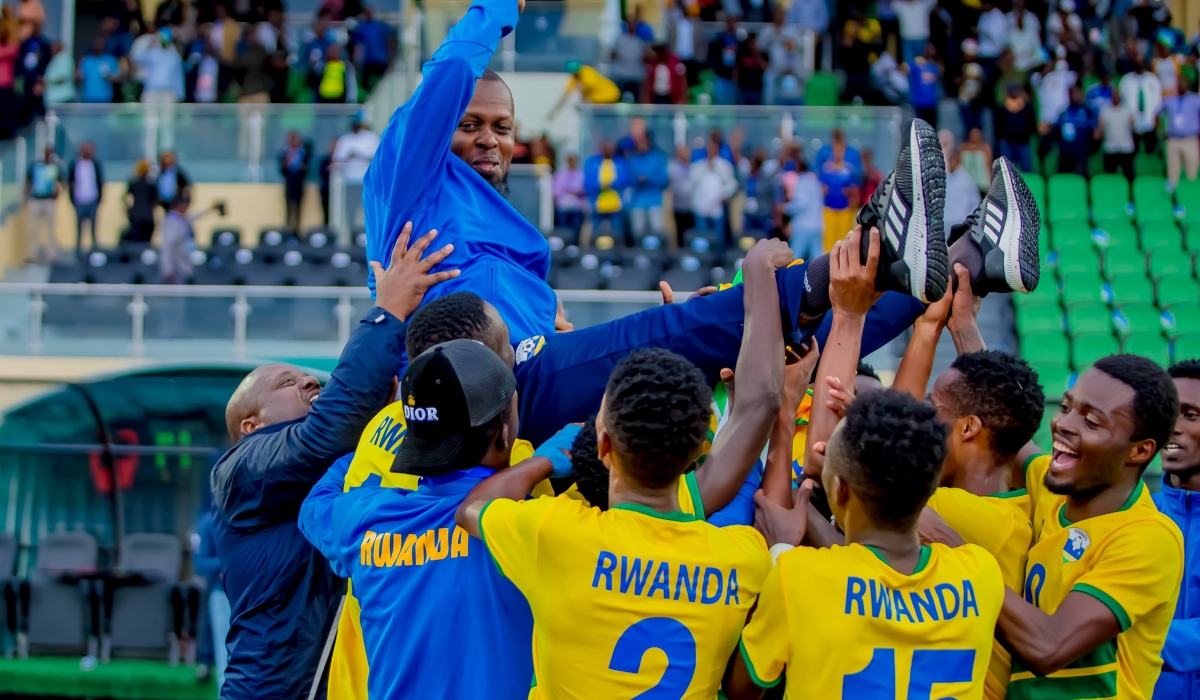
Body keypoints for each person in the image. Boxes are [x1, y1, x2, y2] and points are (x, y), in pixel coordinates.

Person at [453, 240, 791, 698]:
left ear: (603, 445)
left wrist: (545, 459)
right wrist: (759, 277)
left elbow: (472, 508)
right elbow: (760, 402)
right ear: (699, 449)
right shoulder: (742, 555)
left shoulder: (556, 534)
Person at [210, 227, 459, 700]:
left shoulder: (333, 468)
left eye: (309, 378)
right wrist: (387, 312)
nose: (309, 382)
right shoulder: (237, 471)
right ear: (250, 425)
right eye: (287, 383)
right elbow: (324, 435)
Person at [725, 388, 1004, 698]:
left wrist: (779, 549)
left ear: (840, 489)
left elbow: (742, 691)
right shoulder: (982, 574)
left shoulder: (796, 576)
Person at [937, 355, 1183, 699]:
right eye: (1066, 407)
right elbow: (1002, 414)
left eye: (1091, 421)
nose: (1063, 424)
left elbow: (1048, 647)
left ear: (1140, 451)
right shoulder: (1057, 487)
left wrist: (956, 548)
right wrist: (963, 331)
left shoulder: (1147, 537)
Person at [1151, 360, 1200, 699]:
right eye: (1168, 413)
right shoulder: (1134, 515)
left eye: (1191, 415)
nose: (1173, 427)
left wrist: (1114, 635)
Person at [137, 28, 183, 150]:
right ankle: (149, 153)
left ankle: (167, 154)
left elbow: (178, 77)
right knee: (149, 124)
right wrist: (149, 43)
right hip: (151, 92)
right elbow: (137, 58)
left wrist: (179, 95)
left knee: (168, 124)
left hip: (168, 93)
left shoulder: (174, 56)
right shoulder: (152, 53)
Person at [688, 137, 738, 237]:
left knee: (718, 237)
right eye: (709, 148)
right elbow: (692, 182)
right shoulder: (698, 166)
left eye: (714, 148)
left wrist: (725, 195)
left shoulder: (724, 165)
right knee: (702, 238)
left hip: (716, 208)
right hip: (701, 207)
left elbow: (732, 184)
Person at [626, 133, 669, 241]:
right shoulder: (632, 159)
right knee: (638, 232)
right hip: (637, 202)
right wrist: (638, 180)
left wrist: (648, 178)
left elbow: (664, 179)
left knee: (657, 231)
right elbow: (628, 179)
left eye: (644, 141)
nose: (642, 144)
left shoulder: (658, 157)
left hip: (655, 201)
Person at [1047, 85, 1097, 177]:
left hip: (1080, 153)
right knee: (1063, 178)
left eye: (1075, 93)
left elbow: (1095, 132)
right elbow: (1055, 131)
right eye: (1070, 93)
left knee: (1079, 178)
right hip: (1065, 153)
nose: (1072, 95)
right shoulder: (1064, 113)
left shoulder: (1087, 112)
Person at [583, 140, 629, 238]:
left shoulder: (620, 162)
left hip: (616, 204)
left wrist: (613, 184)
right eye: (606, 148)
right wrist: (600, 185)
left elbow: (626, 179)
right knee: (596, 233)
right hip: (597, 203)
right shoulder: (592, 162)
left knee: (617, 233)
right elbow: (587, 181)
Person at [546, 60, 620, 121]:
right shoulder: (575, 78)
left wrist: (582, 90)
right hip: (598, 104)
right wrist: (554, 112)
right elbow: (565, 96)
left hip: (610, 97)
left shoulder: (587, 71)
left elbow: (591, 84)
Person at [1162, 75, 1200, 189]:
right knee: (1172, 173)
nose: (1182, 86)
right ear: (1176, 85)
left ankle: (1191, 194)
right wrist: (1162, 130)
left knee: (1192, 171)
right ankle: (1173, 195)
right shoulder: (1169, 100)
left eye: (1184, 84)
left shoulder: (1195, 100)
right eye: (1180, 84)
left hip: (1190, 139)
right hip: (1173, 139)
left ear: (1188, 86)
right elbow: (1157, 113)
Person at [1121, 55, 1163, 155]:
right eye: (1137, 62)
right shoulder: (1126, 80)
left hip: (1149, 119)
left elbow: (1158, 101)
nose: (1139, 65)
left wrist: (1156, 118)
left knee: (1150, 150)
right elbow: (1123, 102)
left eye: (1141, 62)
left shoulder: (1153, 80)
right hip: (1133, 120)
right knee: (1133, 151)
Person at [24, 145, 60, 264]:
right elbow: (29, 181)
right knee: (33, 229)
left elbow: (60, 182)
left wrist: (57, 193)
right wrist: (26, 197)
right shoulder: (36, 166)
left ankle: (51, 255)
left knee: (51, 230)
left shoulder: (54, 168)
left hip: (49, 200)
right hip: (36, 199)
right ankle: (32, 255)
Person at [68, 142, 104, 254]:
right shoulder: (75, 164)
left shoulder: (95, 164)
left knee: (94, 228)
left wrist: (99, 199)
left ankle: (94, 251)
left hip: (92, 200)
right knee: (79, 229)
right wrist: (72, 199)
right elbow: (71, 183)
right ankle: (78, 251)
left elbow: (100, 182)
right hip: (79, 201)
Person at [1098, 87, 1138, 181]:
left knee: (1129, 176)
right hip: (1110, 148)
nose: (1116, 97)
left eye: (1117, 96)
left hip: (1126, 148)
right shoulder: (1105, 111)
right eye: (1114, 96)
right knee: (1110, 177)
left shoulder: (1127, 111)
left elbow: (1133, 124)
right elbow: (1100, 128)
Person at [996, 84, 1037, 172]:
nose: (1014, 92)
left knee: (1027, 170)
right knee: (1007, 171)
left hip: (1023, 143)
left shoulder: (1028, 107)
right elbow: (998, 126)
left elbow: (1032, 125)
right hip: (1007, 143)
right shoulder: (1001, 108)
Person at [279, 132, 310, 235]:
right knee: (288, 208)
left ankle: (297, 232)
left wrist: (300, 169)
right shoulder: (285, 153)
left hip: (299, 184)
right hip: (289, 183)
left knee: (298, 209)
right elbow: (282, 169)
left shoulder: (303, 153)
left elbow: (306, 169)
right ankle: (287, 231)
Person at [610, 17, 646, 101]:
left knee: (636, 102)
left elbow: (643, 57)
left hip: (636, 76)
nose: (632, 26)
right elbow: (612, 55)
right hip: (621, 76)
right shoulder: (619, 39)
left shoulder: (639, 41)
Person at [708, 15, 741, 105]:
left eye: (733, 23)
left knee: (732, 104)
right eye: (729, 23)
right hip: (721, 76)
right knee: (720, 103)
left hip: (733, 78)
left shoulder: (739, 40)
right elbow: (713, 55)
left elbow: (740, 60)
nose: (731, 25)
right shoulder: (719, 39)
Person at [551, 153, 585, 236]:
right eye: (570, 160)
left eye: (573, 160)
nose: (572, 162)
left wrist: (569, 190)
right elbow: (556, 190)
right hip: (562, 207)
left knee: (576, 231)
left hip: (577, 207)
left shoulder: (581, 175)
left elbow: (583, 190)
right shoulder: (560, 175)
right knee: (563, 230)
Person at [124, 159, 157, 243]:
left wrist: (129, 210)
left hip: (136, 216)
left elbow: (125, 198)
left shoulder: (133, 184)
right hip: (148, 216)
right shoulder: (151, 185)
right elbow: (157, 200)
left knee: (136, 243)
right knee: (146, 243)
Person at [79, 37, 120, 103]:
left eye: (100, 43)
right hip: (88, 97)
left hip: (105, 97)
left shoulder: (110, 60)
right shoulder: (86, 60)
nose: (98, 45)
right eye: (96, 43)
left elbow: (118, 77)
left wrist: (109, 76)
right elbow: (80, 77)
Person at [893, 0, 935, 67]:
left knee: (923, 64)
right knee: (908, 65)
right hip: (907, 39)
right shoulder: (901, 5)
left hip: (922, 38)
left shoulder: (923, 4)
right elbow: (893, 3)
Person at [42, 40, 73, 105]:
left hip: (61, 99)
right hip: (54, 99)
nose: (52, 49)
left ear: (60, 47)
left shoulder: (63, 58)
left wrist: (46, 82)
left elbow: (62, 78)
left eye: (54, 47)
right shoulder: (55, 58)